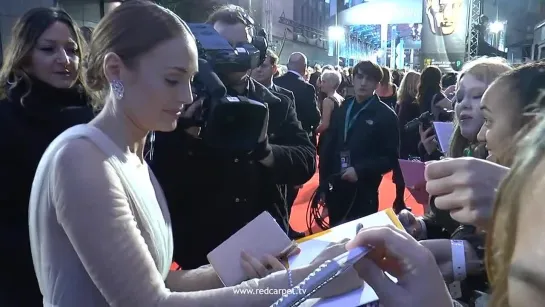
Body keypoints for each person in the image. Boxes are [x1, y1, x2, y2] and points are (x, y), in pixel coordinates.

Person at [28, 2, 361, 306]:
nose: (188, 95)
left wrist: (256, 271)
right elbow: (150, 302)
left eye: (191, 80)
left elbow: (164, 282)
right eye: (173, 79)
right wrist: (310, 279)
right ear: (115, 71)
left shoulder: (132, 156)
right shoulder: (83, 159)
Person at [150, 4, 316, 269]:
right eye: (226, 45)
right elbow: (158, 177)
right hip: (202, 248)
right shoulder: (181, 102)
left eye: (244, 45)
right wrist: (185, 135)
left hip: (266, 241)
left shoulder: (279, 103)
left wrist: (267, 152)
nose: (237, 54)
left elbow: (306, 161)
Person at [0, 7, 93, 305]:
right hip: (24, 276)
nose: (64, 60)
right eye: (48, 49)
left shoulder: (96, 113)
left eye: (72, 50)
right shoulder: (7, 117)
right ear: (25, 54)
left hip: (92, 269)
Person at [319, 60, 399, 226]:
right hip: (337, 187)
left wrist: (360, 171)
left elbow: (390, 158)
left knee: (361, 245)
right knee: (335, 239)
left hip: (364, 191)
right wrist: (324, 186)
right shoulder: (343, 108)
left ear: (377, 83)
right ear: (353, 79)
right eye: (360, 77)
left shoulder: (386, 115)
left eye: (369, 79)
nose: (363, 83)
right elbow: (329, 148)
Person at [275, 52, 321, 145]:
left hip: (277, 138)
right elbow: (313, 116)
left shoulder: (275, 82)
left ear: (288, 65)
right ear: (305, 67)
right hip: (300, 138)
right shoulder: (307, 88)